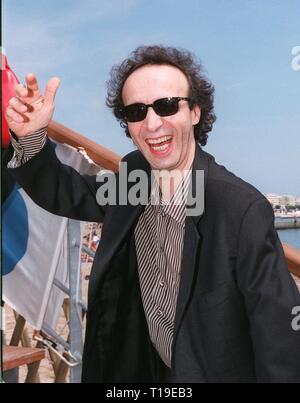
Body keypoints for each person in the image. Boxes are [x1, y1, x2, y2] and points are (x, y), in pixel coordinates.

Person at [5, 45, 300, 383]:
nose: (152, 123)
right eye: (136, 111)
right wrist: (30, 137)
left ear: (195, 113)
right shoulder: (136, 179)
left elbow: (280, 340)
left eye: (167, 106)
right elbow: (68, 193)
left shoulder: (239, 209)